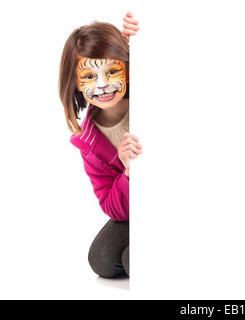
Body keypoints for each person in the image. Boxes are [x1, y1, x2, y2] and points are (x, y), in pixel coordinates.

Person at [58, 12, 140, 278]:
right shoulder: (90, 143)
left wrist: (140, 40)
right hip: (139, 204)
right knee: (102, 259)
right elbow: (114, 207)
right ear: (75, 84)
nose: (103, 85)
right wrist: (129, 174)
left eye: (112, 71)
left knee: (131, 260)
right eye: (90, 77)